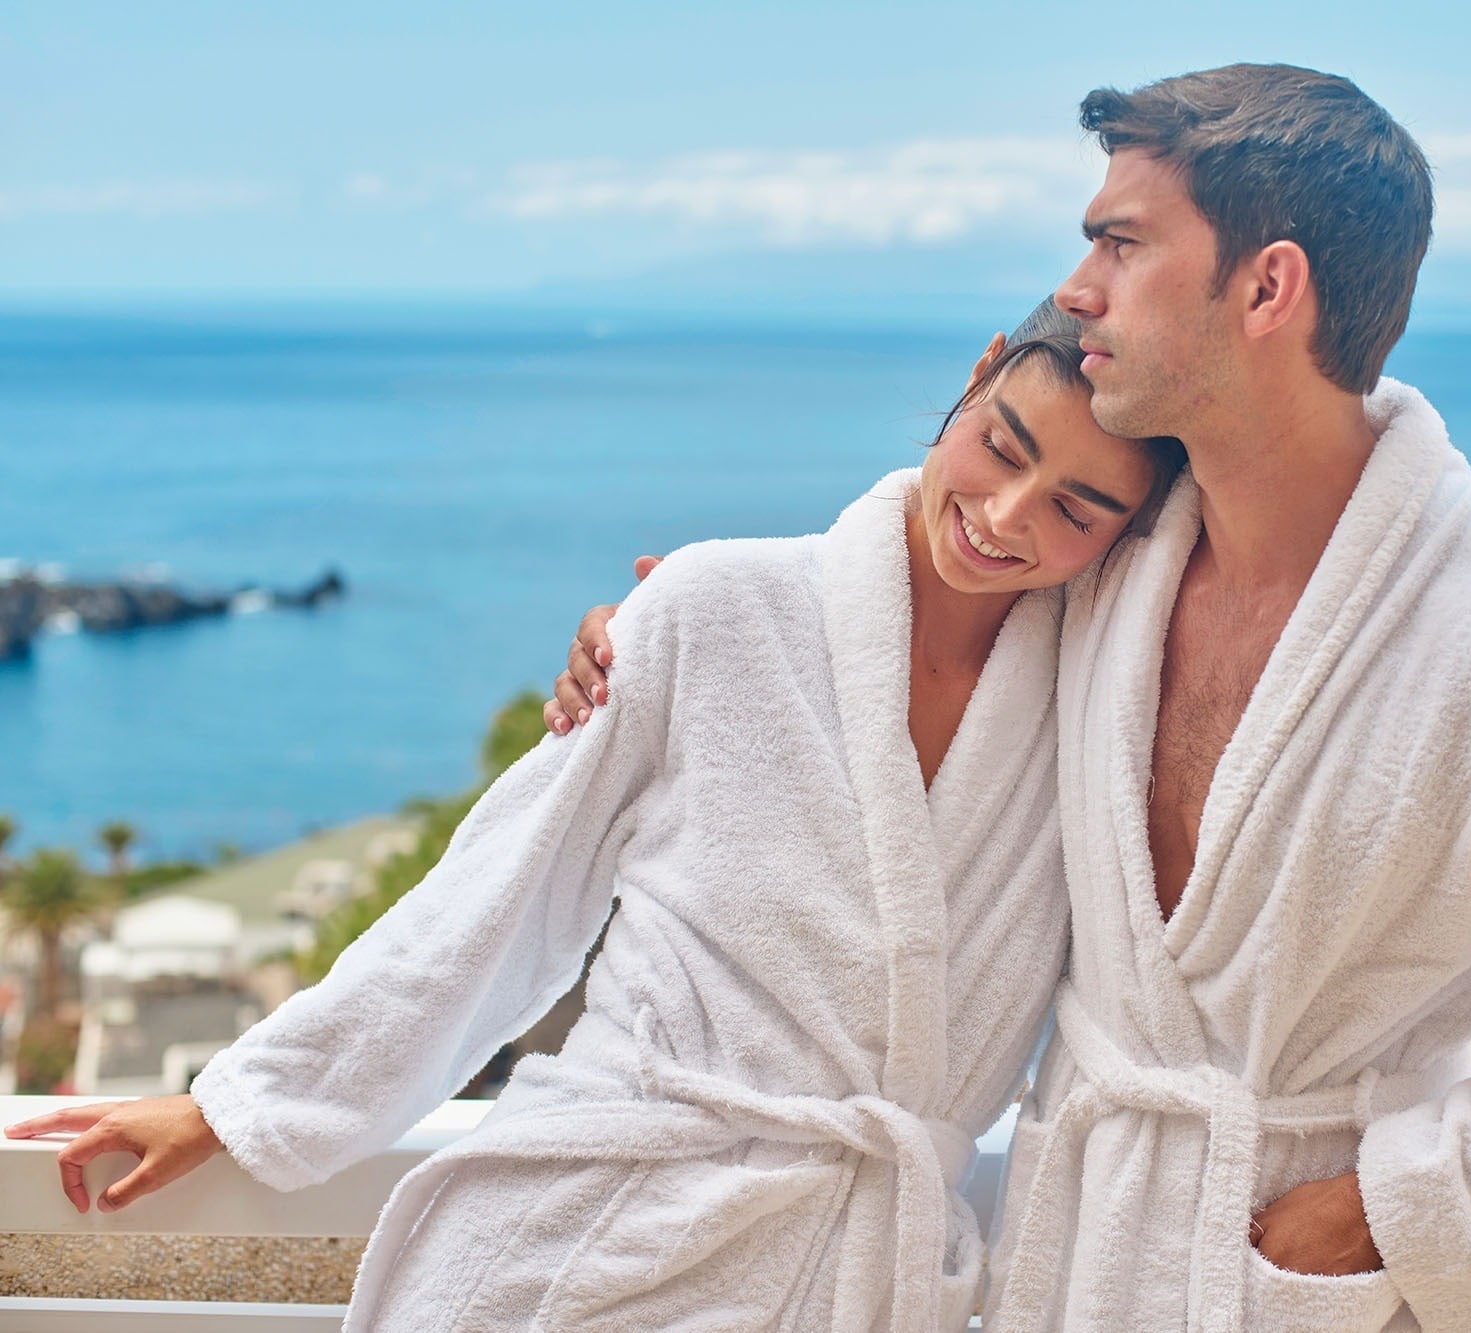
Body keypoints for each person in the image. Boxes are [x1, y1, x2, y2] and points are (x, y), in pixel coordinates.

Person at [548, 65, 1471, 1331]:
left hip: (1300, 1276)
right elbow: (899, 606)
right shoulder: (1102, 565)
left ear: (1267, 287)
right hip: (1070, 1256)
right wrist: (670, 630)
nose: (1075, 289)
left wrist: (1385, 1209)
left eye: (1120, 244)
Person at [6, 307, 1185, 1332]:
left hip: (861, 1270)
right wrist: (242, 1101)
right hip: (586, 1244)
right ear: (979, 371)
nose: (1006, 514)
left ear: (1132, 539)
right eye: (1001, 446)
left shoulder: (1094, 708)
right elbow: (504, 891)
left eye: (1077, 508)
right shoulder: (716, 607)